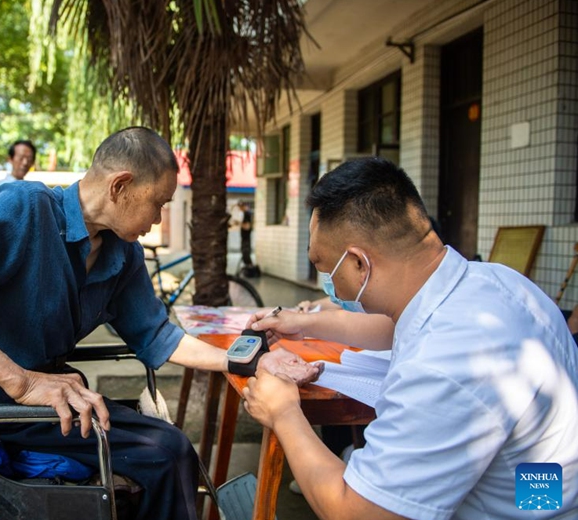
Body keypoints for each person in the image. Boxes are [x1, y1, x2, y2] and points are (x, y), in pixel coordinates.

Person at [0, 127, 323, 520]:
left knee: (168, 446)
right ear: (121, 186)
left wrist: (247, 362)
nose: (158, 219)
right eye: (157, 204)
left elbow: (156, 336)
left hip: (42, 402)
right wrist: (23, 382)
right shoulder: (25, 207)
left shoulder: (120, 252)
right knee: (165, 452)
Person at [243, 157, 578, 519]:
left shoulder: (443, 364)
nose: (327, 281)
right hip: (544, 489)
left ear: (359, 264)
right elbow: (396, 326)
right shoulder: (494, 281)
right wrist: (304, 322)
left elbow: (357, 513)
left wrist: (285, 413)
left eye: (324, 267)